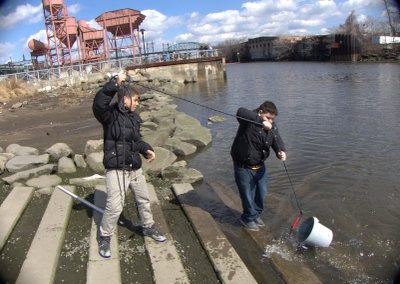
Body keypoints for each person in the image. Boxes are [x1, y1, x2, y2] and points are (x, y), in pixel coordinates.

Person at [92, 71, 166, 258]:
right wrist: (114, 83)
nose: (137, 104)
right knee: (115, 206)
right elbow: (99, 104)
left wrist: (146, 149)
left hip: (135, 168)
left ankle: (148, 227)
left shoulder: (134, 119)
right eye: (135, 100)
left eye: (138, 101)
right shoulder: (109, 116)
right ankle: (105, 236)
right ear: (124, 100)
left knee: (144, 200)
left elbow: (136, 141)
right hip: (116, 169)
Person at [231, 101, 286, 231]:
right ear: (260, 112)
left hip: (260, 166)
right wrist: (261, 121)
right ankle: (247, 218)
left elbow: (276, 139)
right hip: (243, 166)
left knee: (261, 193)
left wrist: (281, 151)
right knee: (247, 194)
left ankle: (255, 214)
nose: (271, 121)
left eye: (273, 119)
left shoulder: (272, 125)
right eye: (268, 117)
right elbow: (240, 111)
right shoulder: (248, 120)